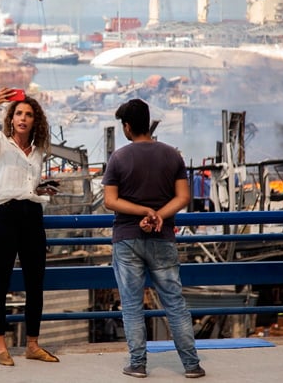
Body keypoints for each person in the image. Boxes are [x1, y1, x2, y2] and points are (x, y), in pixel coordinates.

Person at [103, 99, 205, 379]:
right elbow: (183, 197)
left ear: (126, 127)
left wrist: (142, 212)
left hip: (127, 239)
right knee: (175, 303)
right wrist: (157, 214)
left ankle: (138, 364)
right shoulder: (172, 155)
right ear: (147, 123)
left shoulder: (119, 158)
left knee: (133, 305)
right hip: (163, 237)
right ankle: (192, 365)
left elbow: (110, 201)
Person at [0, 87, 59, 366]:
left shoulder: (37, 152)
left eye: (29, 115)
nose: (23, 118)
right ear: (11, 118)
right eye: (19, 113)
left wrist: (41, 189)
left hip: (32, 215)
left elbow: (26, 185)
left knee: (36, 284)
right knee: (0, 283)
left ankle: (32, 344)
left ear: (36, 121)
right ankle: (0, 347)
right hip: (4, 216)